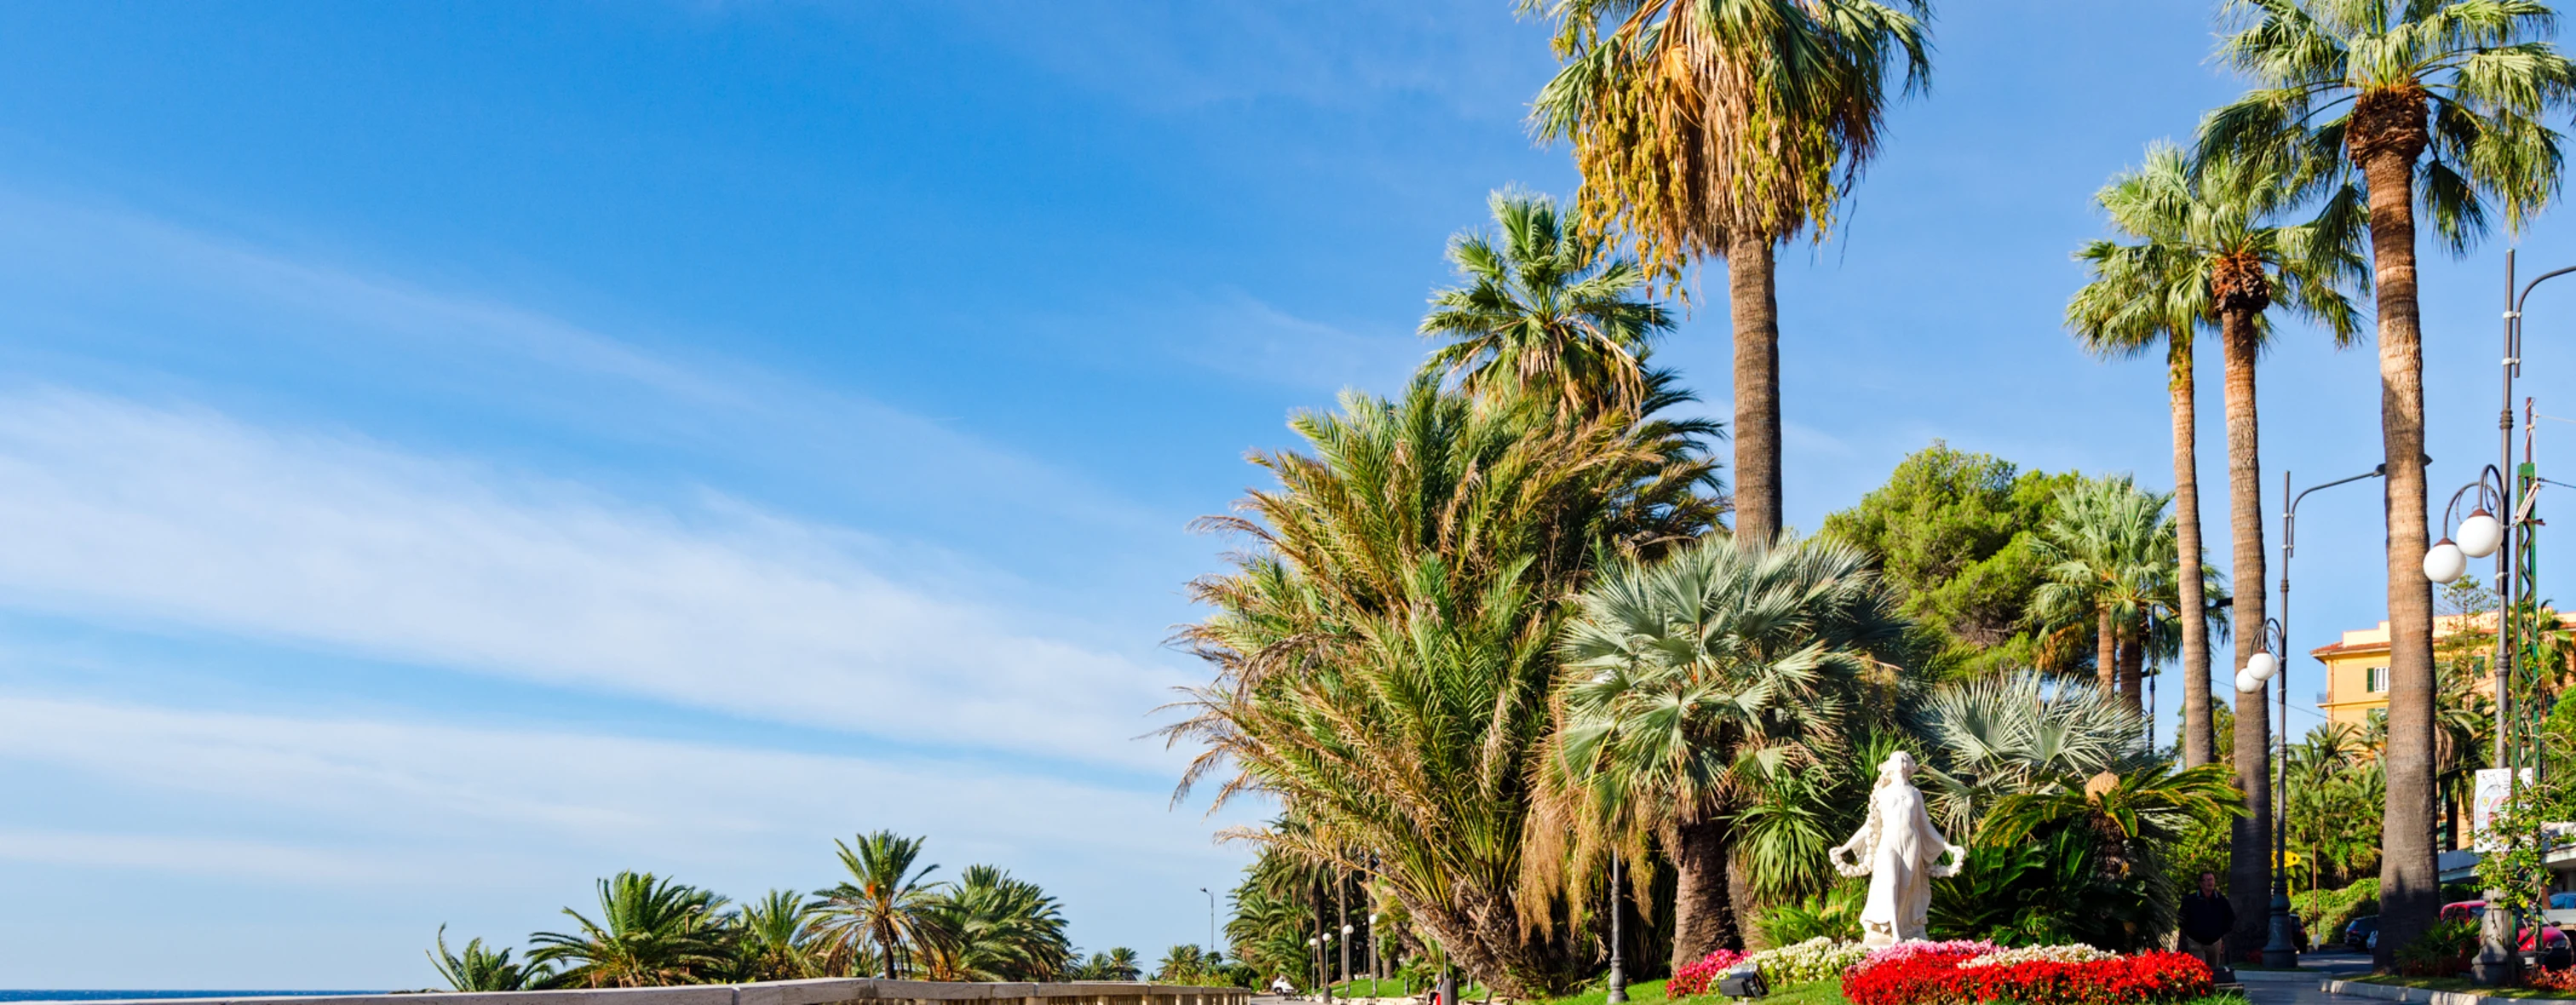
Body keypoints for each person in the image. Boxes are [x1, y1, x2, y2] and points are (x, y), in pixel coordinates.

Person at [2179, 870, 2235, 973]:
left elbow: (2230, 918)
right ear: (2201, 883)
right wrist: (2190, 933)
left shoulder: (2221, 900)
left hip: (2215, 943)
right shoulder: (2191, 900)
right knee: (2200, 971)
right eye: (2207, 880)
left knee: (2213, 972)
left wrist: (2220, 934)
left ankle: (2212, 988)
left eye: (2212, 880)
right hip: (2195, 942)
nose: (2210, 883)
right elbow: (2182, 919)